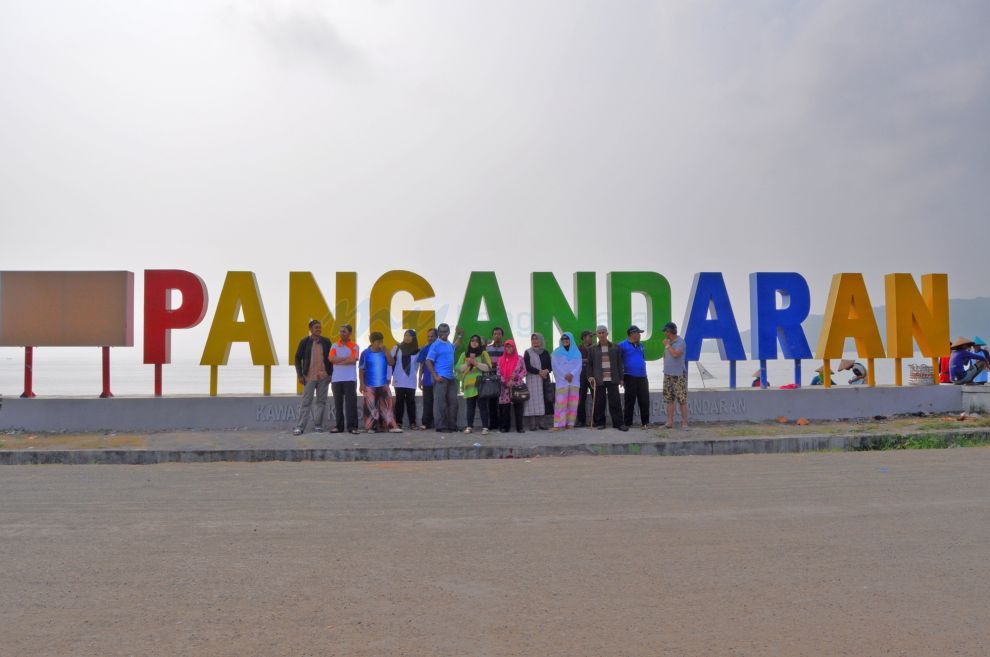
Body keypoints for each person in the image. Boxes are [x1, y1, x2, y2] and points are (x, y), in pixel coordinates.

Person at [292, 319, 333, 436]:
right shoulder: (304, 342)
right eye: (316, 327)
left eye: (320, 327)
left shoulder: (326, 341)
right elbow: (297, 358)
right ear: (310, 329)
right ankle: (300, 427)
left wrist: (330, 374)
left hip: (323, 377)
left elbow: (331, 359)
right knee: (306, 402)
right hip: (309, 376)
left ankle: (318, 425)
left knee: (321, 402)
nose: (318, 329)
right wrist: (299, 375)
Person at [359, 332, 403, 433]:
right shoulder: (365, 353)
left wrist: (386, 351)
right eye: (378, 341)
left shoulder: (384, 352)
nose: (381, 343)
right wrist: (361, 384)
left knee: (388, 405)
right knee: (370, 407)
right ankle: (371, 427)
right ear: (373, 342)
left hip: (383, 384)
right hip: (370, 385)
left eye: (382, 341)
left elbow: (391, 362)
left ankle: (391, 426)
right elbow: (361, 370)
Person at [588, 325, 627, 431]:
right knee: (599, 403)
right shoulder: (592, 349)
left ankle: (619, 423)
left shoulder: (615, 347)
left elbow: (620, 363)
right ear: (597, 335)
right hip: (598, 379)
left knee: (615, 402)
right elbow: (590, 365)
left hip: (613, 378)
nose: (601, 335)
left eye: (603, 332)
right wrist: (590, 377)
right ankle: (600, 423)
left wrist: (621, 378)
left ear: (607, 334)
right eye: (599, 333)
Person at [457, 334, 493, 434]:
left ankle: (485, 427)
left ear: (479, 343)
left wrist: (476, 363)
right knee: (470, 407)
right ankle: (469, 427)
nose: (474, 342)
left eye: (477, 341)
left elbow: (488, 368)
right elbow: (459, 369)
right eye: (472, 340)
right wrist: (468, 363)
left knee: (483, 407)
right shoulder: (464, 354)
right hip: (469, 385)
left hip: (481, 385)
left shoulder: (483, 353)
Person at [425, 323, 458, 432]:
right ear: (438, 333)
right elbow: (428, 361)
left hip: (451, 377)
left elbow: (455, 346)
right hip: (441, 378)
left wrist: (460, 336)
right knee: (440, 403)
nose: (443, 333)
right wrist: (435, 376)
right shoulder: (436, 345)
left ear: (449, 332)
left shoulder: (449, 344)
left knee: (453, 402)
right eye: (441, 331)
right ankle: (441, 426)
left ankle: (452, 425)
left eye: (445, 331)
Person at [328, 323, 360, 434]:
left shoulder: (354, 346)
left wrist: (339, 360)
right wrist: (345, 359)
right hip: (336, 379)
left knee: (351, 404)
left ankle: (352, 427)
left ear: (349, 333)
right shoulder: (334, 346)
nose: (341, 333)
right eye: (340, 331)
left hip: (350, 379)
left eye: (344, 331)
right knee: (338, 404)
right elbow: (331, 359)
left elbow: (353, 360)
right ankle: (339, 426)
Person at [618, 325, 650, 428]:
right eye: (638, 333)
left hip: (643, 376)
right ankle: (627, 423)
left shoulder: (640, 345)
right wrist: (621, 378)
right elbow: (618, 362)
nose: (640, 335)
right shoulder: (622, 345)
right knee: (629, 400)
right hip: (629, 376)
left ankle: (645, 423)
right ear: (632, 334)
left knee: (644, 400)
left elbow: (642, 358)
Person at [550, 332, 582, 430]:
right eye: (563, 339)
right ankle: (559, 425)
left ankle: (570, 424)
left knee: (573, 404)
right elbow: (555, 367)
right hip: (562, 382)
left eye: (567, 339)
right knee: (560, 403)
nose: (565, 341)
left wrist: (572, 374)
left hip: (574, 381)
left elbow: (579, 366)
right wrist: (565, 375)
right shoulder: (556, 352)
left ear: (571, 340)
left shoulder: (577, 352)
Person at [389, 329, 420, 429]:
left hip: (411, 379)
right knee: (399, 401)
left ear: (414, 338)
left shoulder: (417, 350)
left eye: (410, 335)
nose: (407, 337)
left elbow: (419, 364)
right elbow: (390, 362)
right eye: (405, 335)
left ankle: (413, 423)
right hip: (399, 379)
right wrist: (388, 377)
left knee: (411, 401)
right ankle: (398, 422)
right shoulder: (397, 348)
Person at [662, 321, 688, 430]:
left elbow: (676, 354)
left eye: (665, 331)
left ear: (670, 331)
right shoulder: (668, 343)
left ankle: (685, 423)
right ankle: (669, 422)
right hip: (667, 375)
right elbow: (665, 357)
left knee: (682, 399)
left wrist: (667, 346)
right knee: (669, 399)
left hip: (678, 375)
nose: (664, 333)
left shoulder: (680, 342)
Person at [524, 333, 553, 430]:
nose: (535, 341)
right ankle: (532, 424)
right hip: (532, 379)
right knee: (532, 401)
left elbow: (550, 366)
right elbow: (527, 367)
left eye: (536, 339)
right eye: (533, 339)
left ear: (541, 340)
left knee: (543, 400)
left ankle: (542, 423)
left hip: (543, 379)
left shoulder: (545, 352)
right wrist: (539, 372)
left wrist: (546, 371)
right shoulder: (527, 352)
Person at [497, 339, 527, 433]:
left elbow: (524, 371)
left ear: (514, 347)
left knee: (519, 407)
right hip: (504, 387)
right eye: (507, 346)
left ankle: (520, 427)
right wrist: (505, 382)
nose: (509, 348)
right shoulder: (501, 359)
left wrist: (517, 377)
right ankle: (505, 427)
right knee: (505, 408)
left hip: (517, 386)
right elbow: (498, 373)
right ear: (505, 348)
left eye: (511, 346)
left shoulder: (520, 358)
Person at [485, 327, 507, 432]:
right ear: (492, 336)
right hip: (491, 377)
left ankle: (502, 424)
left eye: (499, 334)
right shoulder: (488, 348)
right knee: (491, 401)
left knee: (502, 402)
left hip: (502, 377)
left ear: (502, 336)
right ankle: (493, 424)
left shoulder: (506, 348)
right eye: (495, 334)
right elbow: (485, 362)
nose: (497, 336)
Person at [416, 328, 438, 430]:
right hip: (427, 381)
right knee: (427, 402)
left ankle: (437, 423)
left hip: (439, 380)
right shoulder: (424, 349)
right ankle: (426, 423)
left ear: (436, 337)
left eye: (432, 336)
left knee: (438, 402)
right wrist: (419, 379)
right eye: (428, 336)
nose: (430, 338)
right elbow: (421, 366)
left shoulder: (440, 348)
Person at [575, 330, 594, 427]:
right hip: (581, 376)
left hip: (593, 376)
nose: (591, 338)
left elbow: (597, 361)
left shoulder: (595, 347)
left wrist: (584, 361)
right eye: (589, 336)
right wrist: (587, 361)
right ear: (584, 338)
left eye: (591, 336)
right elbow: (575, 360)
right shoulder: (579, 348)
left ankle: (596, 421)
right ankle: (581, 421)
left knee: (596, 398)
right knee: (581, 399)